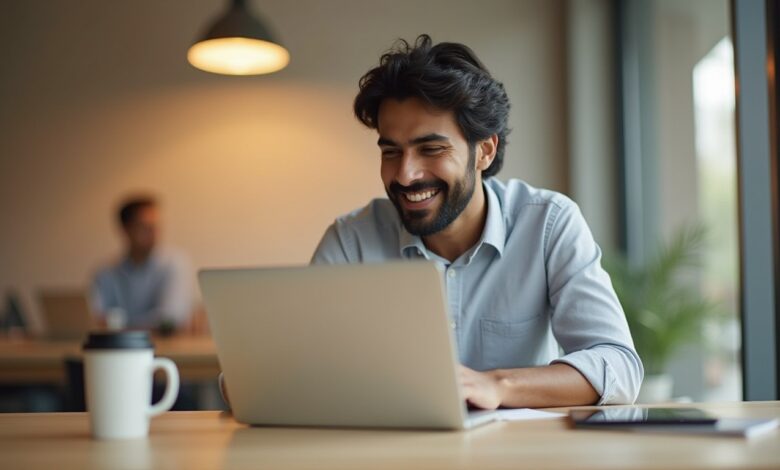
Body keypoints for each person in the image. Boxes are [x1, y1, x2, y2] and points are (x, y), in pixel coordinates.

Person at [311, 35, 643, 409]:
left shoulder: (549, 224)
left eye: (431, 149)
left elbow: (619, 367)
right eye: (391, 152)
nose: (405, 175)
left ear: (485, 150)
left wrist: (498, 386)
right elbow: (292, 366)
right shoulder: (350, 241)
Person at [92, 195, 194, 332]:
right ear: (125, 229)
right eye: (144, 226)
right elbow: (95, 317)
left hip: (164, 347)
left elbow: (170, 318)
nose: (153, 232)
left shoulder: (174, 263)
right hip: (117, 349)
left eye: (155, 226)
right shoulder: (106, 271)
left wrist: (119, 325)